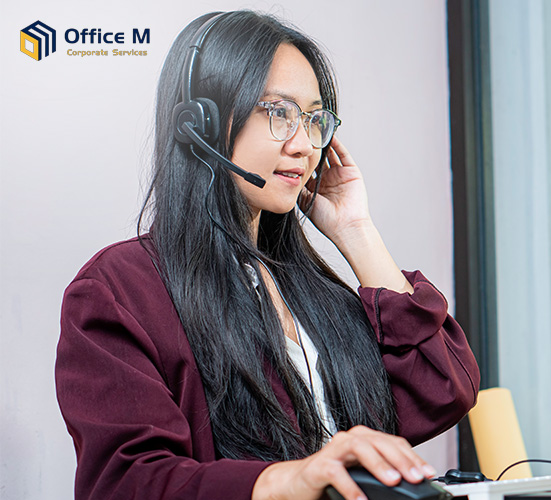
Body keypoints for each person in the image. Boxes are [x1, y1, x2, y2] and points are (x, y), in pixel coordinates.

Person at [54, 10, 479, 500]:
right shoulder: (119, 291)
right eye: (279, 112)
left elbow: (444, 389)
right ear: (202, 123)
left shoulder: (311, 290)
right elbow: (128, 482)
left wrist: (357, 232)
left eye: (314, 119)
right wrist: (293, 480)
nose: (303, 146)